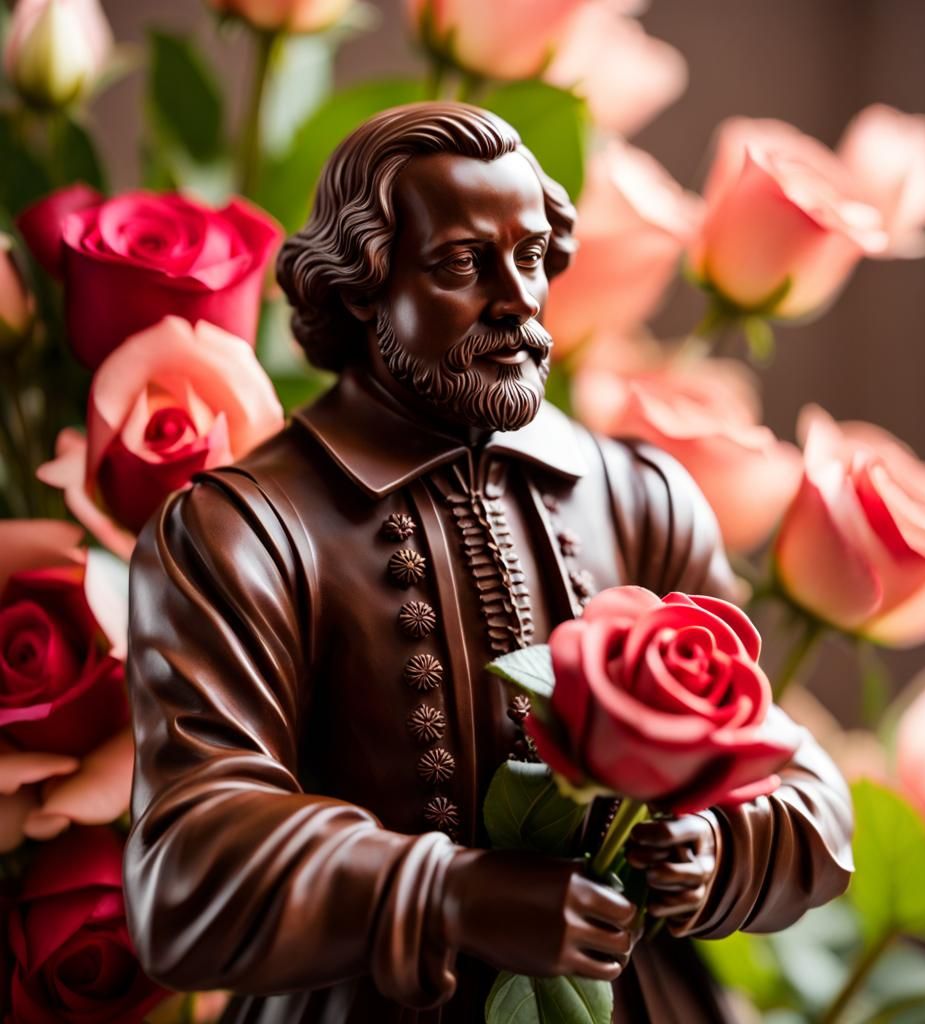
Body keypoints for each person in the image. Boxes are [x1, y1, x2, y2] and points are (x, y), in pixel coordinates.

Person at [124, 102, 853, 1024]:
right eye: (463, 264)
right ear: (361, 286)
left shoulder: (641, 496)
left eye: (534, 256)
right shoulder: (243, 530)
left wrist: (720, 846)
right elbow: (187, 865)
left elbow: (802, 779)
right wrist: (449, 895)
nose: (517, 299)